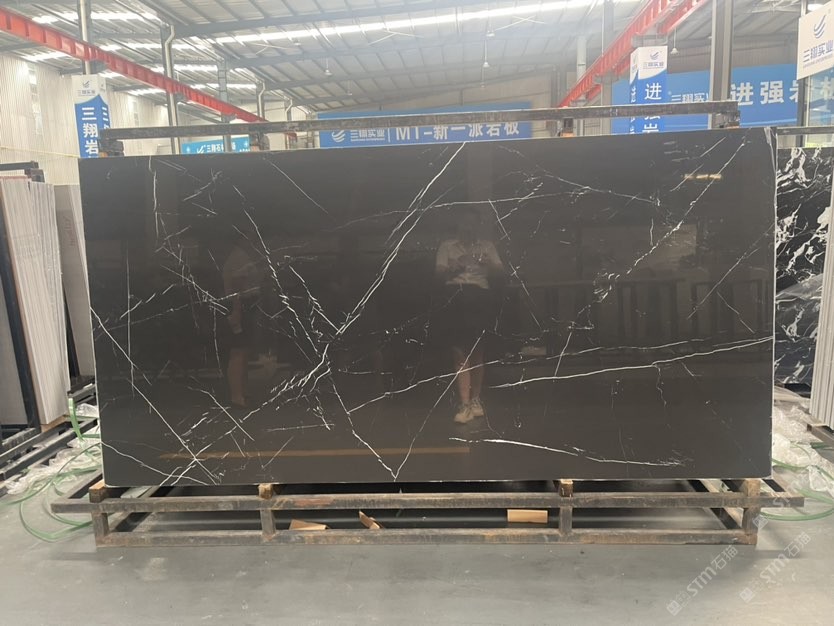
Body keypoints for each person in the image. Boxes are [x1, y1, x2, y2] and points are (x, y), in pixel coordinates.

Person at [435, 209, 505, 424]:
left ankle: (475, 400)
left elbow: (500, 271)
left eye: (472, 223)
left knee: (477, 351)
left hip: (479, 297)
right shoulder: (447, 246)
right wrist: (452, 266)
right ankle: (464, 403)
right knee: (458, 351)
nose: (468, 227)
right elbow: (438, 272)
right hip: (455, 296)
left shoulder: (487, 246)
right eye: (465, 222)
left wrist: (488, 264)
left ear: (477, 225)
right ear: (458, 224)